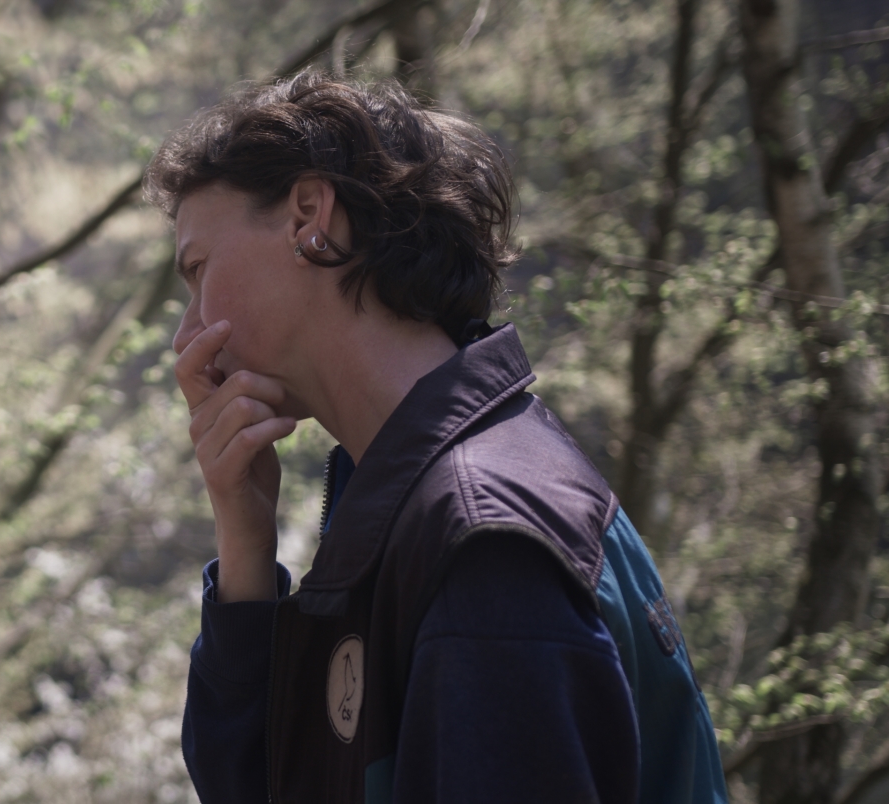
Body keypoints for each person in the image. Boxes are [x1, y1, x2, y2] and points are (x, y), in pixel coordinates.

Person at [148, 71, 728, 803]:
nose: (187, 335)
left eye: (199, 269)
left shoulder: (481, 541)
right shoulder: (422, 501)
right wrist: (245, 547)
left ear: (308, 217)